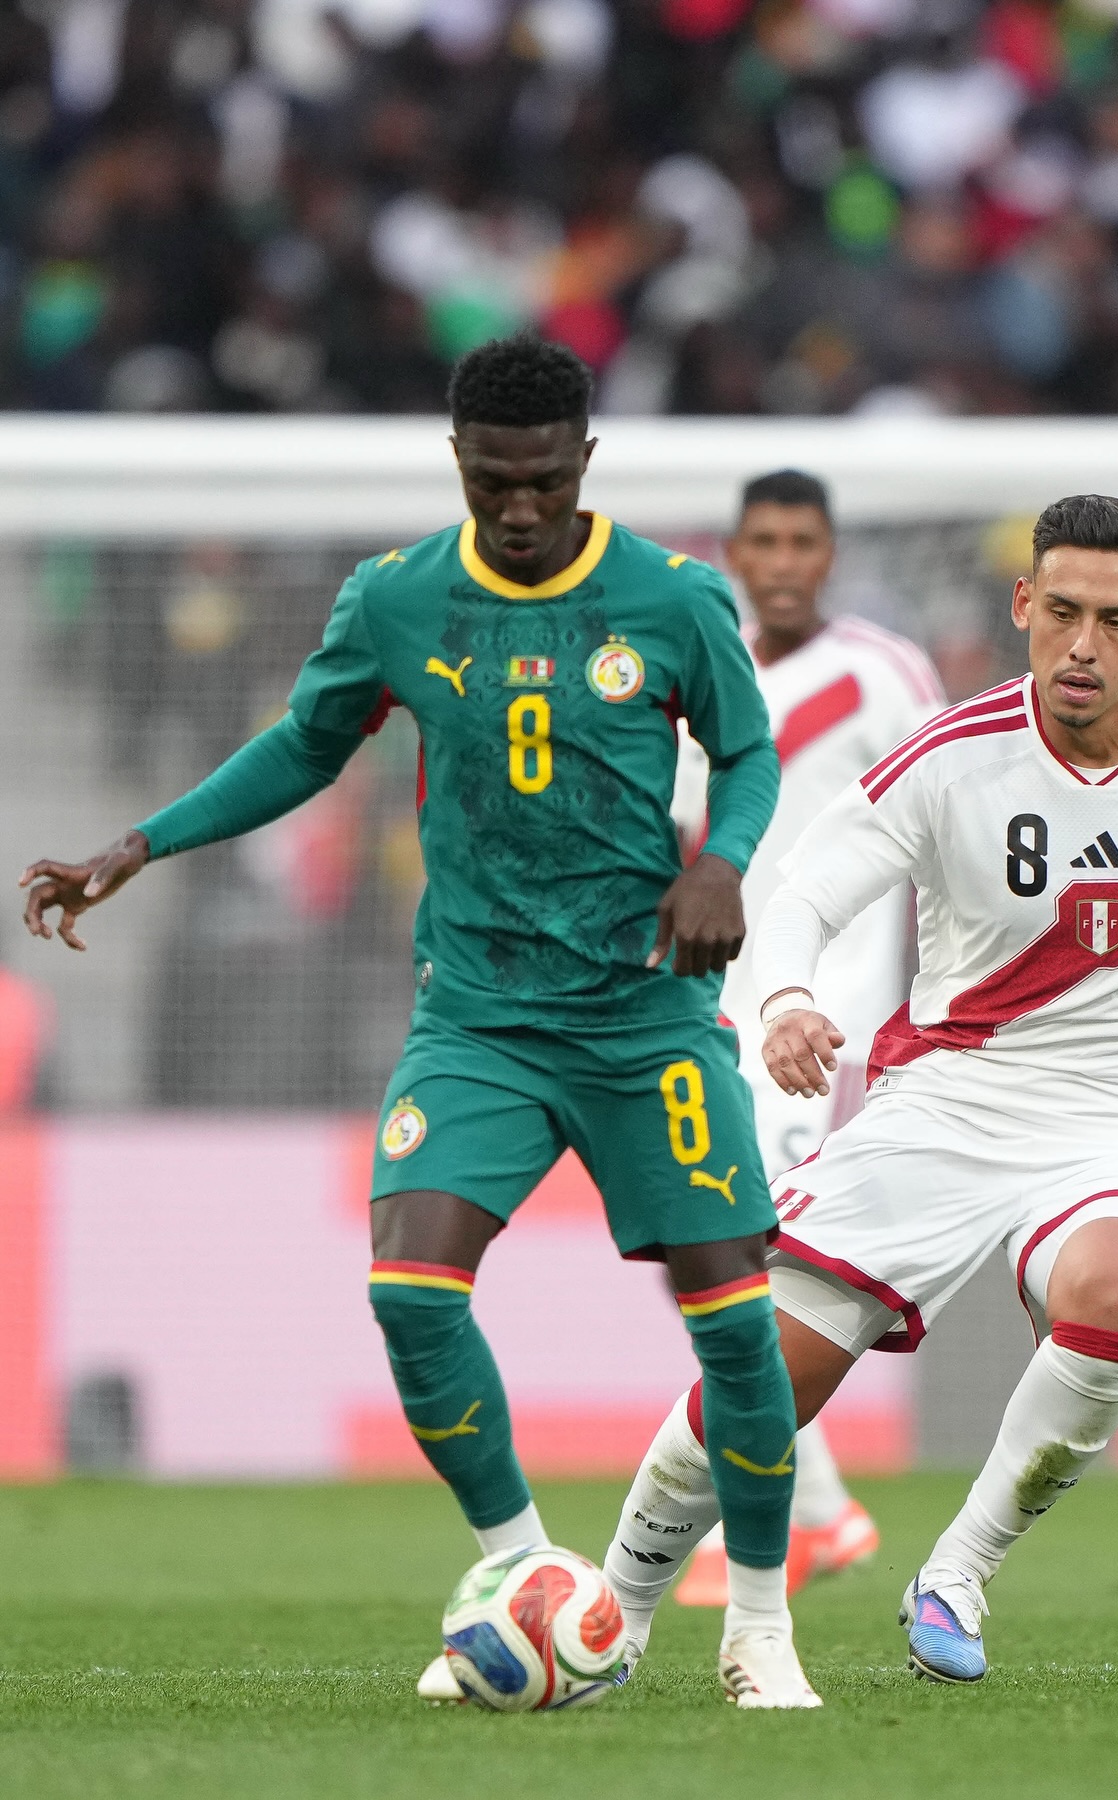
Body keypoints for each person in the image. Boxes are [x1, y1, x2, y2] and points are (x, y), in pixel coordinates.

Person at [17, 333, 822, 1711]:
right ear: (460, 461)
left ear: (584, 463)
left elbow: (748, 751)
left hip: (645, 1017)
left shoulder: (674, 596)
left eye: (544, 483)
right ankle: (529, 1581)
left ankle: (757, 1628)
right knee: (410, 1293)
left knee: (737, 1325)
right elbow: (305, 744)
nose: (519, 510)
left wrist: (721, 865)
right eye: (494, 482)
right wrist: (140, 846)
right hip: (483, 1019)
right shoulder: (395, 597)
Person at [603, 494, 1118, 1684]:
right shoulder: (951, 757)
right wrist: (787, 996)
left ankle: (958, 1568)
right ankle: (614, 1608)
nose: (1082, 646)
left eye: (1113, 620)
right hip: (947, 1104)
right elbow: (799, 893)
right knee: (763, 1374)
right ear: (1022, 608)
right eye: (1060, 614)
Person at [665, 469, 945, 1609]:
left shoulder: (887, 675)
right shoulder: (698, 666)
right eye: (763, 541)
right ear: (735, 550)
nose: (782, 561)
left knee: (755, 1248)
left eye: (803, 542)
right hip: (704, 999)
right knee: (711, 1244)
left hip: (829, 1011)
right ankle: (817, 1510)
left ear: (830, 554)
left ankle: (781, 1517)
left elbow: (952, 820)